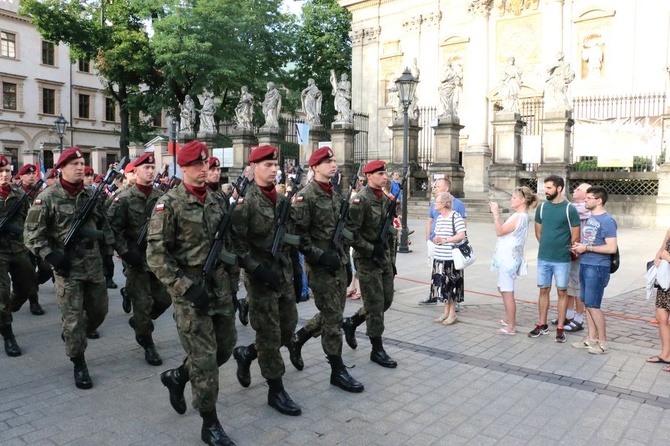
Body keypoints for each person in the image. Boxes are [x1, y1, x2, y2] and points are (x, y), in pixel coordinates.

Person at [146, 141, 237, 445]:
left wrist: (234, 285)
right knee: (205, 360)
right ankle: (209, 423)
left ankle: (177, 377)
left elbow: (226, 245)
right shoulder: (168, 204)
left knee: (225, 348)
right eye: (197, 165)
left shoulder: (216, 200)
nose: (203, 170)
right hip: (190, 294)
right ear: (183, 168)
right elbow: (156, 256)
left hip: (219, 289)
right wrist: (185, 288)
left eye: (206, 164)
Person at [24, 147, 117, 388]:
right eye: (74, 163)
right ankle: (79, 362)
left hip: (93, 265)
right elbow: (31, 234)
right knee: (74, 321)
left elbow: (104, 225)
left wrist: (108, 254)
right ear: (61, 168)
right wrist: (50, 256)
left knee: (99, 312)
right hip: (67, 270)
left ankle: (73, 335)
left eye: (81, 163)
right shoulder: (47, 198)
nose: (80, 167)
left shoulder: (91, 195)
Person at [231, 145, 302, 416]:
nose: (274, 170)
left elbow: (290, 238)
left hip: (282, 273)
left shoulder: (282, 201)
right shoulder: (246, 203)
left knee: (287, 328)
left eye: (276, 165)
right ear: (253, 168)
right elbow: (236, 243)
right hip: (260, 277)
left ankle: (247, 353)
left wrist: (296, 273)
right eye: (268, 165)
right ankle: (276, 389)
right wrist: (255, 268)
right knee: (270, 334)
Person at [288, 146, 364, 393]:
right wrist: (322, 256)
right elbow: (298, 237)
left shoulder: (335, 194)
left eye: (333, 160)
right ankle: (336, 369)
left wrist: (346, 263)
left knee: (333, 312)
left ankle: (298, 339)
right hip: (320, 267)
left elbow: (341, 230)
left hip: (338, 263)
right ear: (315, 167)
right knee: (333, 319)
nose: (334, 165)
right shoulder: (305, 196)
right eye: (328, 161)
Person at [107, 153, 172, 366]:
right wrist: (126, 253)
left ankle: (140, 322)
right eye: (146, 168)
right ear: (135, 171)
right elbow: (113, 230)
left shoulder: (161, 196)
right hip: (136, 261)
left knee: (164, 299)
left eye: (153, 167)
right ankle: (147, 342)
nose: (151, 171)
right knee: (142, 305)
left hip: (158, 260)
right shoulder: (123, 198)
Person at [341, 160, 398, 368]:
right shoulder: (360, 201)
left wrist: (392, 261)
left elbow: (390, 233)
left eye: (385, 173)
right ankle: (377, 349)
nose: (385, 177)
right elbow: (350, 233)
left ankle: (352, 322)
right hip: (366, 259)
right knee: (375, 306)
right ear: (369, 176)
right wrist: (369, 248)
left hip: (383, 258)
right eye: (381, 173)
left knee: (386, 301)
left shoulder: (384, 198)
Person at [530, 175, 581, 342]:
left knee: (562, 292)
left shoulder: (569, 209)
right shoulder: (542, 208)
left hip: (561, 259)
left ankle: (560, 327)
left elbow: (575, 236)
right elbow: (538, 232)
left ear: (559, 188)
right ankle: (542, 324)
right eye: (545, 188)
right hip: (543, 257)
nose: (546, 191)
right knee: (543, 290)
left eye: (549, 188)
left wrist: (561, 249)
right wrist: (547, 246)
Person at [570, 186, 617, 354]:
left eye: (589, 198)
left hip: (597, 266)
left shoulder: (607, 220)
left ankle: (603, 342)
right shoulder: (591, 218)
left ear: (599, 201)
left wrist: (587, 248)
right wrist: (580, 247)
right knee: (587, 302)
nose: (585, 200)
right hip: (586, 263)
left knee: (593, 304)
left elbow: (611, 247)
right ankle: (591, 338)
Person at [489, 187, 538, 335]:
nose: (511, 200)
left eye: (514, 198)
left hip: (509, 258)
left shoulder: (520, 216)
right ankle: (508, 318)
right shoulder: (519, 215)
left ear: (523, 200)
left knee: (507, 291)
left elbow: (500, 231)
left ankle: (511, 326)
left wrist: (496, 214)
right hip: (508, 256)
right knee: (502, 288)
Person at [0, 155, 36, 356]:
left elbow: (28, 220)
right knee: (1, 296)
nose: (4, 175)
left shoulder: (19, 193)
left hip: (18, 247)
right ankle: (7, 333)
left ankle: (5, 312)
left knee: (28, 286)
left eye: (7, 170)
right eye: (0, 171)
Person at [420, 177, 467, 306]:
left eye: (438, 186)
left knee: (451, 274)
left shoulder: (458, 204)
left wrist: (448, 240)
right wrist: (428, 239)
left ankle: (453, 301)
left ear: (446, 189)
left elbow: (463, 225)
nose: (435, 188)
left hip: (449, 247)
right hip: (435, 243)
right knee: (435, 270)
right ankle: (434, 295)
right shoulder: (434, 204)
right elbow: (430, 220)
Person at [554, 183, 592, 332]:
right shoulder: (574, 207)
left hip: (580, 252)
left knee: (577, 287)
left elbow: (565, 210)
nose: (574, 191)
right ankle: (568, 315)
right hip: (571, 251)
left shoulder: (583, 208)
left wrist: (558, 199)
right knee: (569, 284)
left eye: (578, 190)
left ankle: (578, 318)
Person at [10, 163, 46, 316]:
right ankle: (34, 301)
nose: (32, 176)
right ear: (22, 176)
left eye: (34, 173)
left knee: (46, 269)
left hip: (41, 236)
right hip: (23, 239)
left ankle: (32, 284)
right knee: (29, 269)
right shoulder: (17, 193)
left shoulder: (41, 192)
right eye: (28, 174)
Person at [430, 192, 466, 326]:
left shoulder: (455, 216)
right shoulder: (439, 217)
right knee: (443, 287)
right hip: (439, 256)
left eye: (437, 201)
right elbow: (438, 234)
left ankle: (452, 314)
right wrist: (436, 238)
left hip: (451, 258)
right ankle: (446, 312)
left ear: (445, 203)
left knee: (452, 287)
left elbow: (461, 235)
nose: (434, 204)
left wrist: (445, 240)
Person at [649, 229, 670, 370]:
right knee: (661, 317)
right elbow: (662, 248)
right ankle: (666, 354)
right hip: (666, 280)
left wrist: (668, 258)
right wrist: (657, 258)